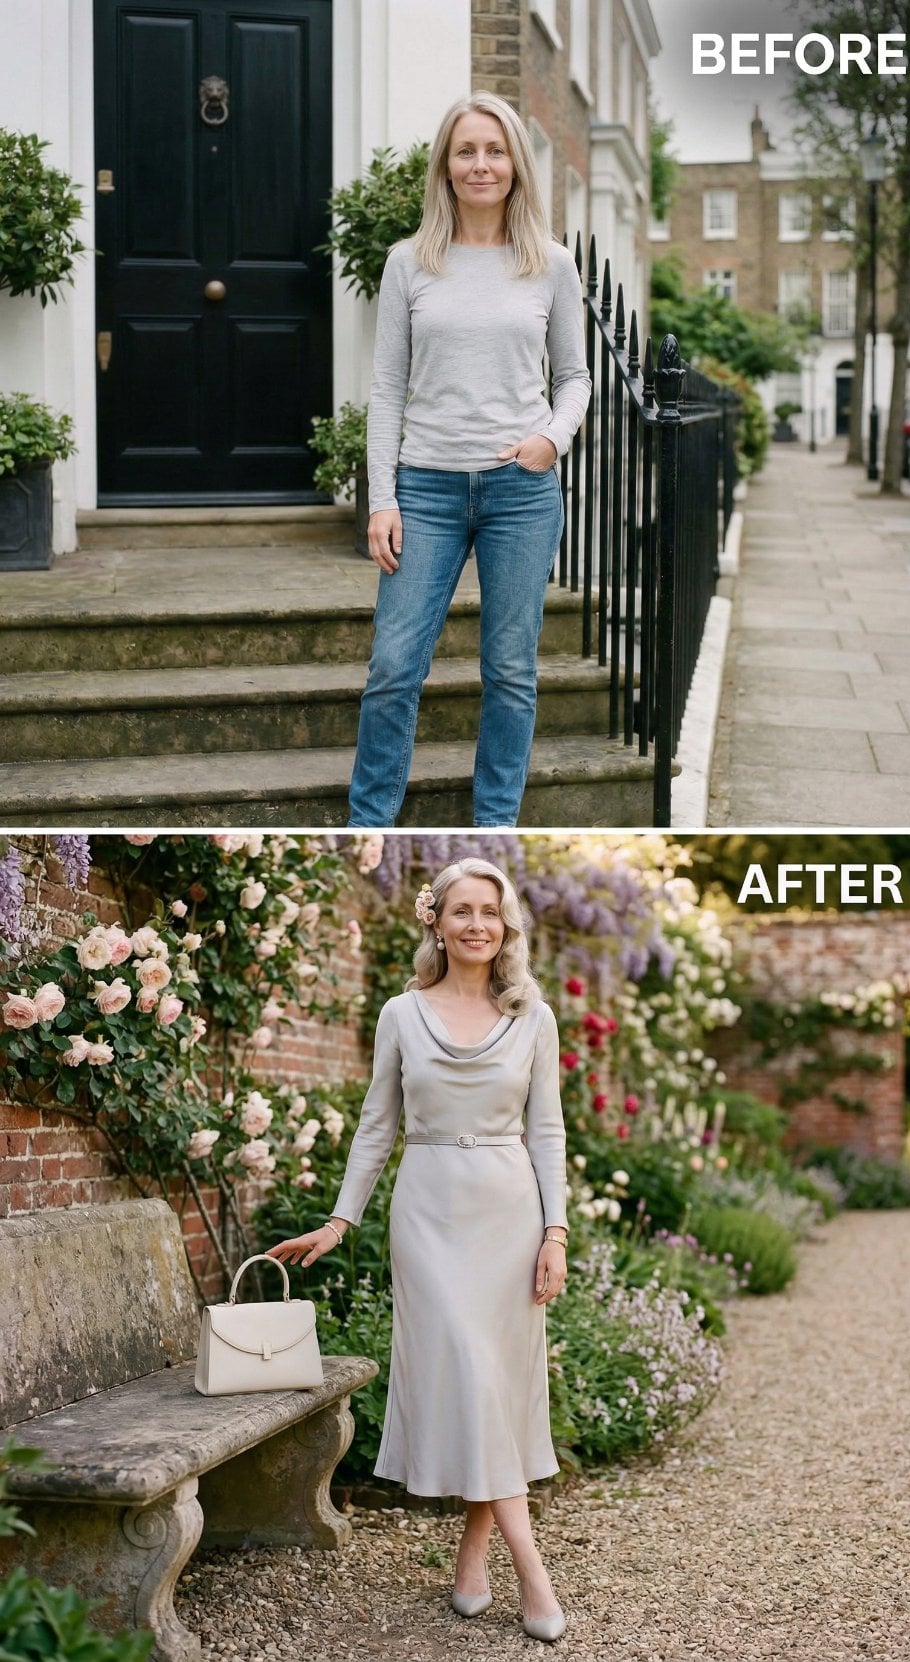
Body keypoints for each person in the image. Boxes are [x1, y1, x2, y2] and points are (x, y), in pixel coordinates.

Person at [267, 857, 570, 1642]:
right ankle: (534, 1575)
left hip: (510, 1213)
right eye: (462, 910)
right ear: (434, 920)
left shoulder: (533, 1016)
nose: (477, 924)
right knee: (468, 1374)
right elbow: (377, 1127)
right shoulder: (402, 1013)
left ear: (507, 927)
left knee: (493, 1388)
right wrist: (340, 1221)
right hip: (429, 1214)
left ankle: (474, 1553)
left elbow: (548, 1132)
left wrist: (555, 1233)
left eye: (490, 913)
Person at [346, 92, 592, 830]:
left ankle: (494, 823)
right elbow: (387, 387)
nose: (480, 164)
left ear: (516, 163)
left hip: (521, 491)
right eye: (466, 151)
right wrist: (381, 499)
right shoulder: (408, 263)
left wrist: (553, 439)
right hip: (425, 489)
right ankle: (368, 820)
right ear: (445, 166)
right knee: (393, 668)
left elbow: (575, 378)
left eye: (494, 150)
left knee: (511, 672)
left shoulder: (550, 264)